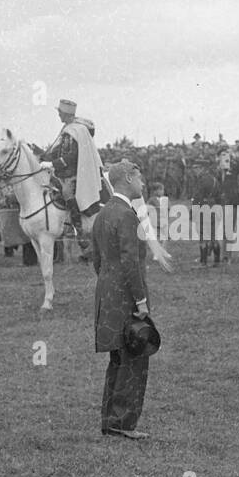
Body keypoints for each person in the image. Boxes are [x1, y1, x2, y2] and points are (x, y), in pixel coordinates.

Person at [93, 160, 153, 440]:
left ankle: (110, 420)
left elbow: (97, 260)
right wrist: (141, 300)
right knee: (134, 358)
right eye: (139, 177)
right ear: (128, 179)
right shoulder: (127, 215)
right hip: (127, 297)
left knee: (117, 359)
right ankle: (122, 424)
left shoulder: (103, 214)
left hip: (107, 294)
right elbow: (131, 262)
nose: (143, 183)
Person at [41, 98, 105, 242]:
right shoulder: (67, 129)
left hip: (74, 173)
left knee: (66, 192)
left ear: (65, 114)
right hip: (62, 172)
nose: (58, 115)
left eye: (60, 112)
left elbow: (73, 156)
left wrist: (53, 164)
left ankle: (78, 228)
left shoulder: (77, 130)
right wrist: (41, 155)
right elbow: (57, 150)